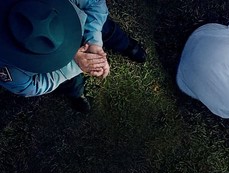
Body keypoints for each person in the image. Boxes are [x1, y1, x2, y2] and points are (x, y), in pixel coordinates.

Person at [0, 0, 147, 113]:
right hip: (55, 68)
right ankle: (77, 94)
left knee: (108, 31)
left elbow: (95, 3)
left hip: (82, 24)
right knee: (70, 82)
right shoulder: (6, 65)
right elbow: (31, 86)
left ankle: (128, 46)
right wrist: (74, 65)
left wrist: (94, 41)